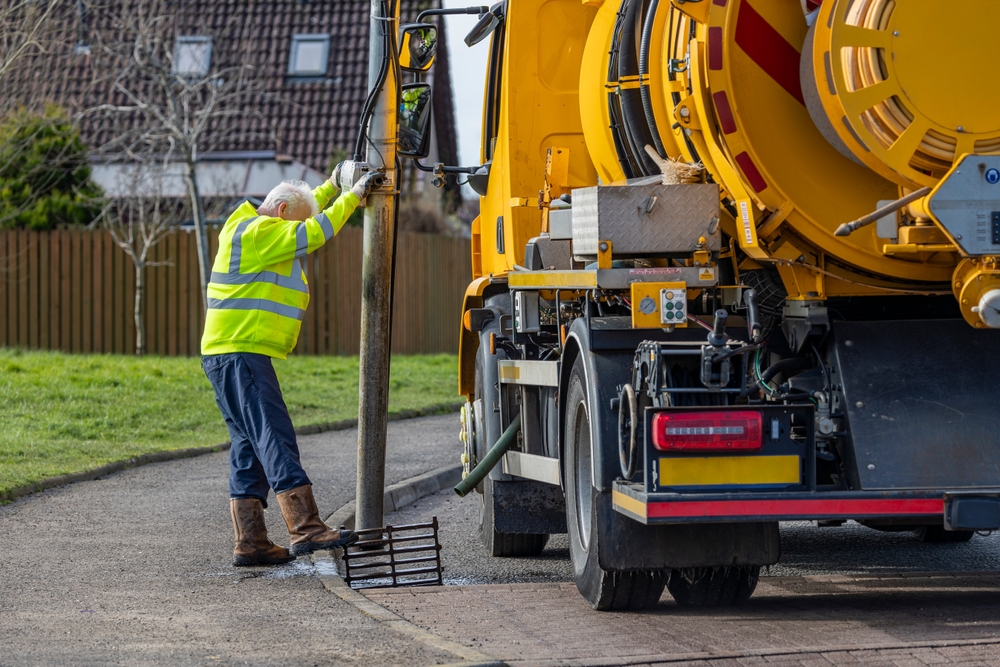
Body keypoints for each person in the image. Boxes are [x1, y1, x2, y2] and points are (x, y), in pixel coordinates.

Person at [201, 170, 380, 566]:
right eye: (292, 223)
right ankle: (306, 527)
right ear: (281, 212)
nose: (293, 236)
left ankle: (251, 542)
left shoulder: (248, 227)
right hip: (241, 353)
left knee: (248, 447)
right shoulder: (260, 232)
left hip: (227, 354)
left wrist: (331, 184)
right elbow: (314, 231)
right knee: (274, 436)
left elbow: (303, 213)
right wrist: (352, 196)